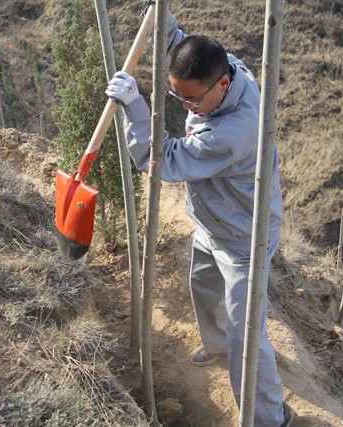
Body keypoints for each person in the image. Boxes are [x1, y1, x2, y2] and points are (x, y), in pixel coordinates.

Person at [106, 6, 295, 427]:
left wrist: (136, 108)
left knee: (248, 338)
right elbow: (177, 46)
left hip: (245, 237)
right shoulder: (221, 70)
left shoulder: (233, 131)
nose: (186, 105)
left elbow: (163, 161)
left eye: (191, 99)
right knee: (203, 286)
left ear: (222, 85)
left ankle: (269, 417)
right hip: (215, 221)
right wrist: (164, 18)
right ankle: (215, 345)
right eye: (178, 96)